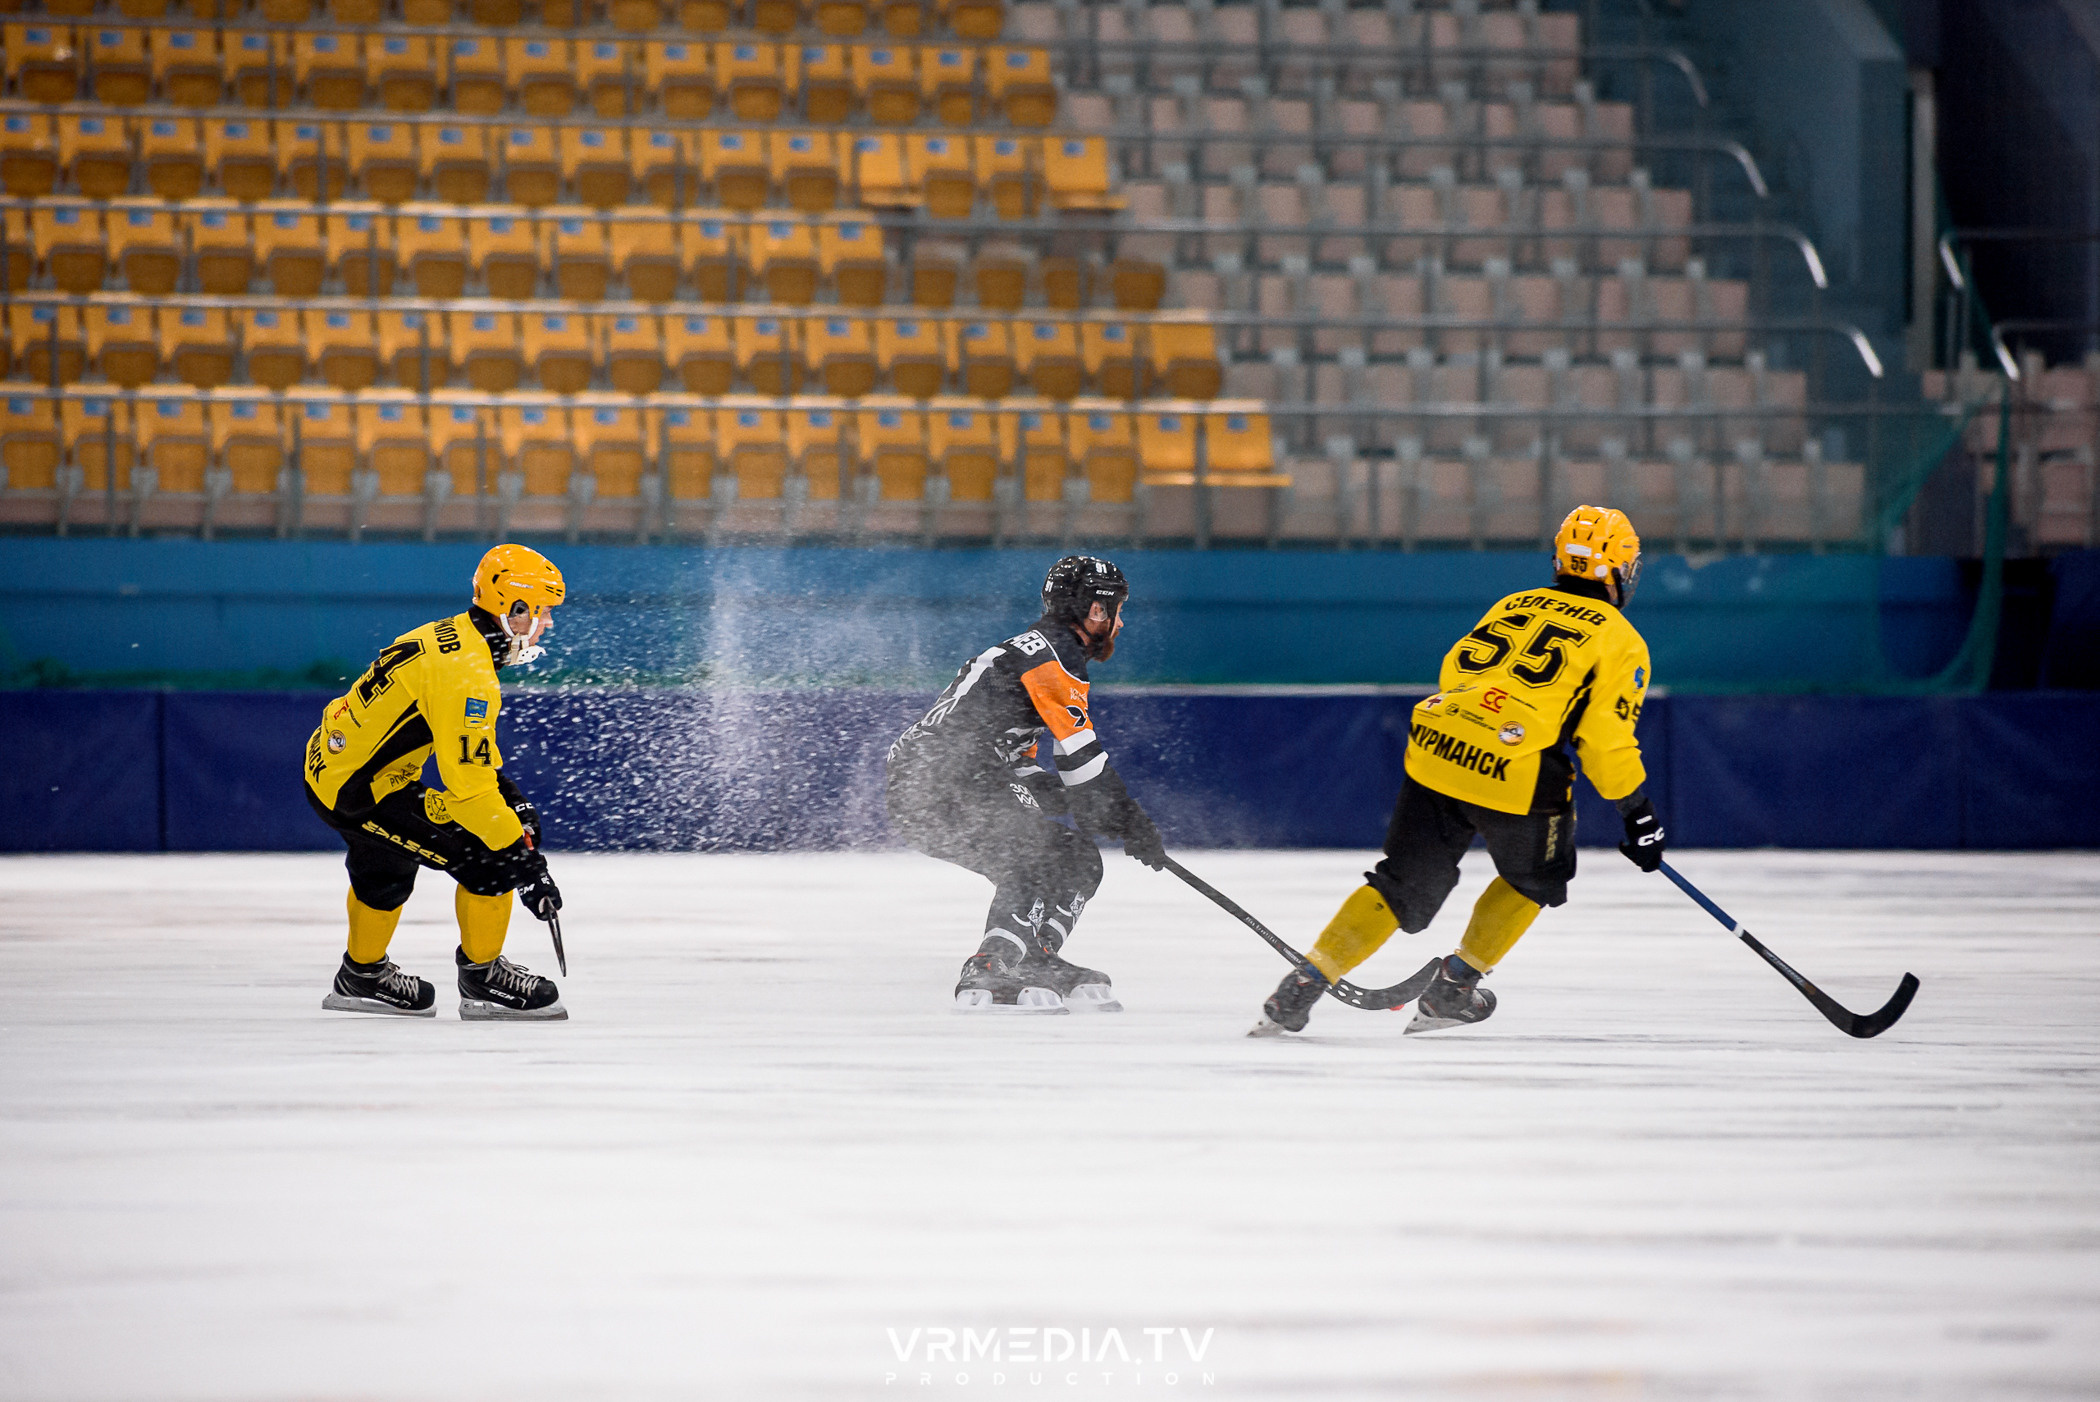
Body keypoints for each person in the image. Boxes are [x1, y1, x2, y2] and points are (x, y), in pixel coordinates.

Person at [1251, 506, 1666, 1036]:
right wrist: (1639, 814)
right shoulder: (1620, 638)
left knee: (1400, 885)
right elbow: (1605, 739)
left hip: (1438, 745)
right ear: (1621, 570)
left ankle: (1302, 986)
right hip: (1517, 764)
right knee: (1536, 877)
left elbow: (1455, 670)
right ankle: (1454, 989)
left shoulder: (1512, 603)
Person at [887, 556, 1168, 1014]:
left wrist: (1080, 802)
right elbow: (1081, 760)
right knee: (1035, 851)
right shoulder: (1054, 654)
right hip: (947, 775)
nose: (1121, 622)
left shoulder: (1033, 650)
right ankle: (991, 965)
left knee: (1074, 856)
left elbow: (1022, 765)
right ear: (1096, 611)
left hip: (927, 785)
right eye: (1117, 609)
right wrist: (1131, 821)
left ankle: (1034, 956)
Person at [304, 543, 569, 1021]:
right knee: (489, 858)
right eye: (542, 612)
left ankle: (362, 977)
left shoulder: (455, 637)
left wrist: (514, 802)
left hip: (333, 768)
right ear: (513, 608)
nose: (547, 624)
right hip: (362, 791)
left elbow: (468, 763)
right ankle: (484, 979)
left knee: (384, 868)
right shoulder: (470, 675)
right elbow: (468, 787)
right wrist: (526, 866)